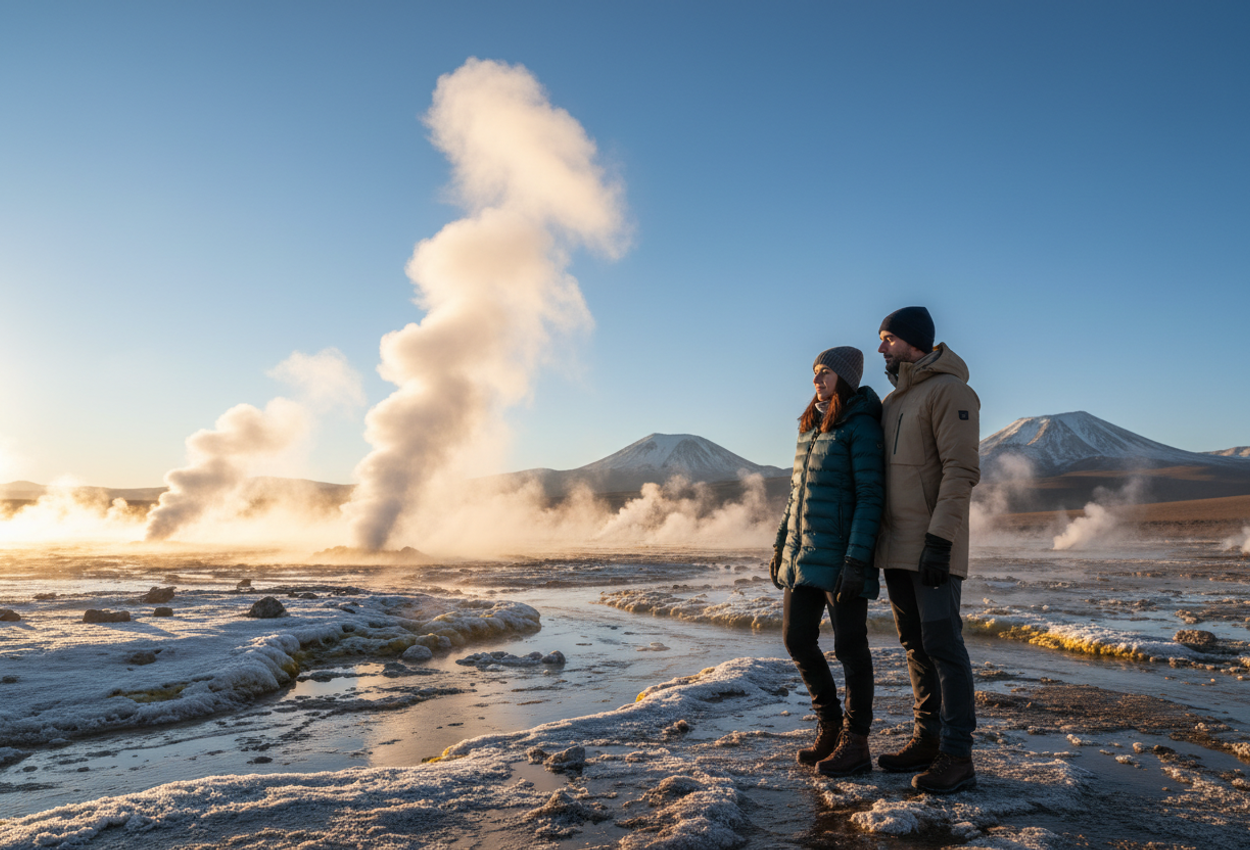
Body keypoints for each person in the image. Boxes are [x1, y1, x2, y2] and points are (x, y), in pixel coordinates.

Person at [873, 306, 981, 793]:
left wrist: (939, 541)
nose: (881, 349)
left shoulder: (951, 392)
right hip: (896, 547)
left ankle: (958, 756)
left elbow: (961, 471)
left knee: (943, 646)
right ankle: (927, 738)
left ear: (914, 342)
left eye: (888, 339)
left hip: (932, 548)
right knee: (915, 645)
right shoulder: (896, 401)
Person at [771, 346, 884, 776]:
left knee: (850, 649)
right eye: (815, 372)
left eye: (826, 373)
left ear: (846, 379)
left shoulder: (860, 426)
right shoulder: (811, 426)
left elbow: (871, 497)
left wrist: (856, 560)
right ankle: (830, 725)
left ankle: (857, 743)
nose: (817, 379)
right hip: (803, 555)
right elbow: (795, 495)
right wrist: (781, 544)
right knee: (797, 639)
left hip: (842, 560)